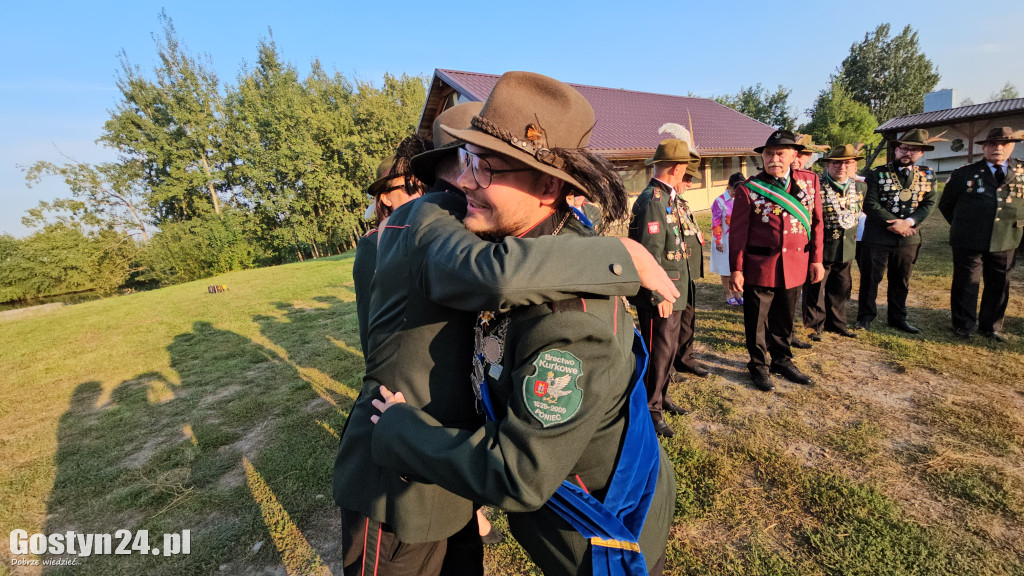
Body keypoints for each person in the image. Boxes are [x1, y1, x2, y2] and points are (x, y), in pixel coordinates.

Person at [333, 88, 680, 575]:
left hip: (598, 534)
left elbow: (519, 472)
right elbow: (493, 275)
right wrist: (622, 254)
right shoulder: (429, 221)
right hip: (399, 475)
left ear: (545, 186)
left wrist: (618, 254)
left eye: (482, 166)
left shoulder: (565, 313)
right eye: (463, 161)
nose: (465, 180)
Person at [730, 129, 824, 392]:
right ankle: (758, 366)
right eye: (769, 154)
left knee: (785, 317)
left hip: (795, 263)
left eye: (780, 153)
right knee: (757, 321)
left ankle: (782, 360)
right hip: (760, 265)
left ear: (794, 155)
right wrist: (736, 269)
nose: (774, 159)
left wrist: (816, 260)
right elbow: (737, 235)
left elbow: (817, 223)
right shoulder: (748, 190)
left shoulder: (809, 182)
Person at [628, 138, 693, 437]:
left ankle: (662, 397)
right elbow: (648, 253)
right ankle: (651, 409)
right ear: (678, 168)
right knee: (658, 352)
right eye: (685, 169)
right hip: (661, 294)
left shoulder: (668, 196)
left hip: (673, 289)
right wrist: (656, 294)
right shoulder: (654, 199)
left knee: (668, 351)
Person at [938, 126, 1024, 341]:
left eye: (1004, 144)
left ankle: (991, 326)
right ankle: (963, 325)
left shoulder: (1022, 172)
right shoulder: (964, 173)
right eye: (993, 144)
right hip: (969, 237)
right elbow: (947, 205)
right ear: (984, 147)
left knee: (999, 283)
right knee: (966, 282)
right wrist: (965, 225)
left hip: (1006, 236)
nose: (998, 148)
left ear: (1012, 147)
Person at [857, 128, 940, 333]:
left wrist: (909, 222)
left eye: (914, 150)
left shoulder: (927, 175)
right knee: (870, 279)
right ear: (896, 150)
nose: (907, 153)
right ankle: (865, 317)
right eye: (904, 148)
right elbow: (870, 203)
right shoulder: (878, 174)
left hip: (908, 237)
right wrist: (895, 223)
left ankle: (897, 318)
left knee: (901, 279)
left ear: (921, 153)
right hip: (878, 235)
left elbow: (929, 204)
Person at [353, 137, 430, 353]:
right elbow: (370, 320)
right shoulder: (372, 245)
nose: (420, 193)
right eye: (409, 186)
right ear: (386, 199)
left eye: (423, 183)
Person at [801, 145, 866, 340]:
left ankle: (837, 323)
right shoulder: (816, 186)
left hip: (846, 247)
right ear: (827, 165)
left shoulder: (860, 187)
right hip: (822, 247)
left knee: (841, 287)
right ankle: (814, 326)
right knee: (815, 287)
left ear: (854, 165)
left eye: (847, 163)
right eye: (836, 163)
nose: (842, 167)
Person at [672, 152, 711, 380]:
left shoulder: (681, 203)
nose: (689, 184)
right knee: (671, 325)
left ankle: (685, 357)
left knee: (687, 319)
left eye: (692, 179)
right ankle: (668, 367)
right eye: (687, 179)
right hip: (673, 273)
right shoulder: (659, 202)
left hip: (687, 272)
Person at [711, 173, 744, 304]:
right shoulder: (719, 201)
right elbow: (715, 222)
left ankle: (737, 293)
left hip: (738, 240)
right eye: (735, 189)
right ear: (729, 186)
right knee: (725, 269)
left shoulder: (742, 199)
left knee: (736, 268)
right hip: (724, 240)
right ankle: (728, 294)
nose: (737, 192)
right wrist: (718, 241)